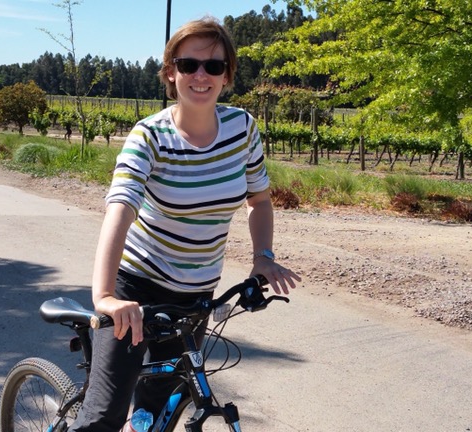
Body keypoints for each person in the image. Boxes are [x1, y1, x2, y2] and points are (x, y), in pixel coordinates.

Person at [69, 17, 301, 431]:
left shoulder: (242, 129)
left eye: (214, 66)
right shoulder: (149, 137)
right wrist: (104, 297)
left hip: (196, 294)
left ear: (227, 75)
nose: (200, 75)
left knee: (155, 411)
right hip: (136, 288)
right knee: (104, 415)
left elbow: (259, 199)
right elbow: (120, 209)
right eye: (188, 64)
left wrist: (263, 257)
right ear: (170, 72)